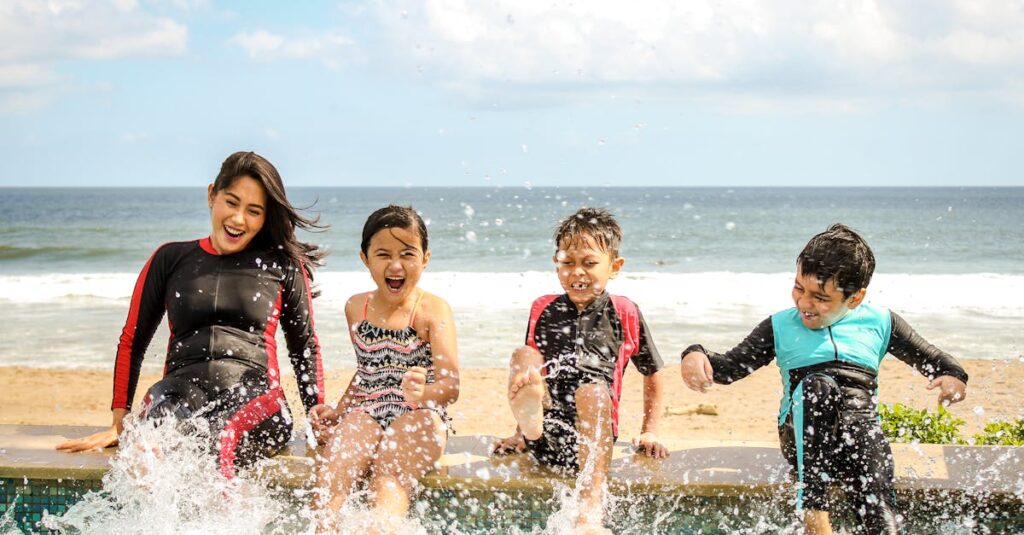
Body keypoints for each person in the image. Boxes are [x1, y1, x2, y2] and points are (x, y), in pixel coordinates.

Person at [680, 223, 969, 535]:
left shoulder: (881, 322)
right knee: (819, 387)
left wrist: (953, 377)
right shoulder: (780, 326)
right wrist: (695, 354)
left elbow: (934, 359)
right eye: (798, 288)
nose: (804, 303)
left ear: (855, 298)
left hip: (858, 438)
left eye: (820, 297)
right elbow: (730, 367)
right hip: (801, 434)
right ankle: (815, 518)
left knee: (878, 495)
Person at [56, 151, 327, 479]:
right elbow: (133, 340)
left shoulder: (281, 266)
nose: (239, 219)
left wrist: (316, 415)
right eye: (231, 202)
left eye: (253, 211)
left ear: (264, 218)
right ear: (212, 194)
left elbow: (304, 346)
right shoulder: (170, 258)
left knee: (219, 443)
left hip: (256, 395)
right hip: (178, 390)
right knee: (147, 444)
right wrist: (120, 420)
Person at [493, 207, 668, 535]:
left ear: (614, 267)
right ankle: (527, 427)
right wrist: (519, 433)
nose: (578, 272)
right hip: (545, 434)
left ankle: (589, 511)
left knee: (592, 390)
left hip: (593, 441)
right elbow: (534, 370)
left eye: (589, 263)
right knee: (524, 355)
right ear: (555, 262)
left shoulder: (624, 311)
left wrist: (650, 430)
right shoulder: (542, 307)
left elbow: (653, 371)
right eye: (567, 262)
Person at [309, 205, 459, 530]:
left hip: (420, 415)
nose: (395, 265)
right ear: (365, 259)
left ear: (425, 258)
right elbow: (367, 370)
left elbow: (451, 386)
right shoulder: (356, 308)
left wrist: (425, 392)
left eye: (407, 254)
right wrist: (340, 409)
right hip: (367, 410)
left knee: (388, 476)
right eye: (382, 254)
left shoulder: (433, 311)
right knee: (333, 470)